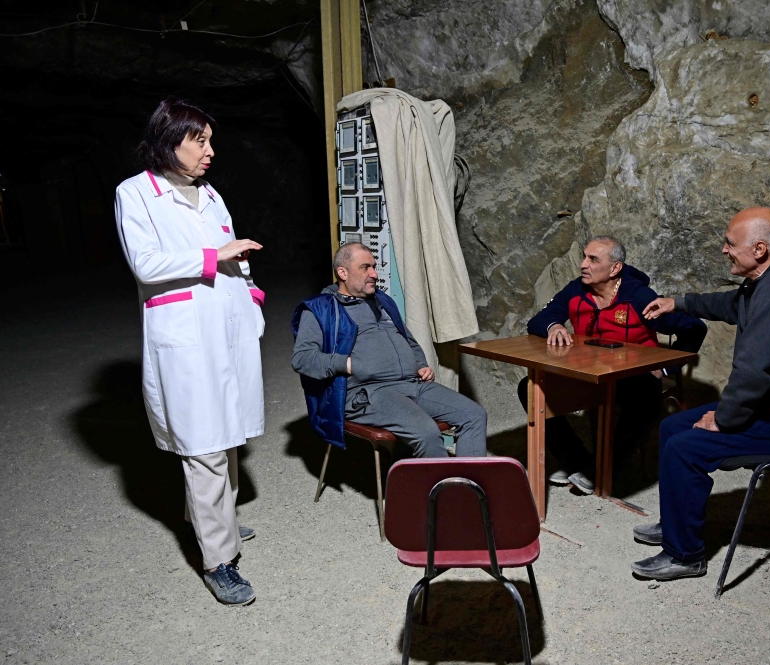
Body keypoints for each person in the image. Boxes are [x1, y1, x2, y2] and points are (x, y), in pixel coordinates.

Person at [631, 207, 770, 581]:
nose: (724, 250)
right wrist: (678, 302)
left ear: (759, 249)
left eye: (730, 243)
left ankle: (685, 555)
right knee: (672, 427)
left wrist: (724, 419)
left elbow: (753, 372)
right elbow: (729, 304)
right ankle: (676, 524)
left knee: (685, 448)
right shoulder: (767, 282)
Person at [115, 98, 265, 606]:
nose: (209, 150)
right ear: (167, 141)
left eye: (210, 140)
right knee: (204, 442)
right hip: (185, 335)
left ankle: (215, 520)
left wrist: (252, 296)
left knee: (226, 431)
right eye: (198, 140)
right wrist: (214, 256)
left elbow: (235, 251)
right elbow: (145, 263)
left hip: (228, 326)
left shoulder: (210, 193)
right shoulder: (136, 193)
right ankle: (219, 561)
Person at [519, 236, 707, 494]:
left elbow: (694, 328)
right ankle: (577, 462)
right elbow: (539, 320)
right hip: (589, 373)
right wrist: (554, 325)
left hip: (632, 376)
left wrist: (665, 368)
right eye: (584, 257)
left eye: (593, 259)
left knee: (645, 398)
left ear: (615, 268)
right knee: (530, 387)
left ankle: (603, 470)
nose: (583, 264)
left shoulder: (639, 297)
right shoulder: (576, 289)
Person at [291, 243, 487, 459]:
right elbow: (302, 359)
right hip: (370, 392)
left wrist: (420, 364)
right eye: (365, 267)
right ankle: (440, 482)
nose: (374, 274)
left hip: (413, 384)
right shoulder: (321, 309)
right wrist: (348, 364)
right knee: (426, 432)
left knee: (474, 415)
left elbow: (408, 339)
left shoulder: (382, 301)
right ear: (343, 273)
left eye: (374, 267)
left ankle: (467, 479)